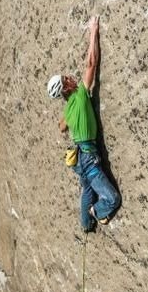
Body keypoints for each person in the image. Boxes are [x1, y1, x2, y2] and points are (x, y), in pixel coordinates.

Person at [47, 16, 121, 231]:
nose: (69, 76)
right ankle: (95, 213)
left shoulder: (69, 107)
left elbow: (61, 126)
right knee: (112, 198)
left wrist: (69, 121)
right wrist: (93, 31)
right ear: (67, 87)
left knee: (87, 190)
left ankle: (86, 226)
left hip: (79, 158)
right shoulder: (79, 94)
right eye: (66, 78)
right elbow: (92, 63)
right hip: (88, 157)